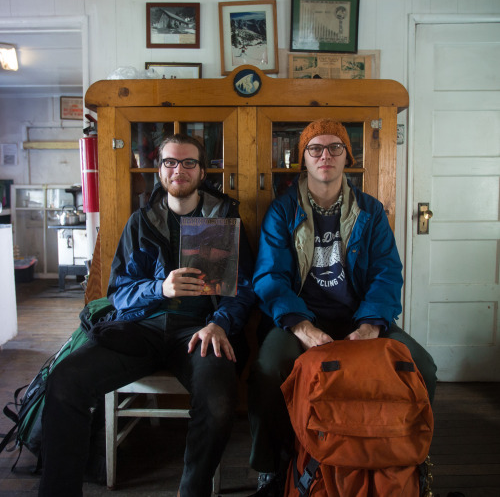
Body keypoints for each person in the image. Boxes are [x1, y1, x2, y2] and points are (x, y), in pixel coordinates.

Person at [38, 133, 255, 497]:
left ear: (202, 171)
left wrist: (220, 323)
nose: (179, 170)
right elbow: (119, 295)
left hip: (197, 331)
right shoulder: (140, 221)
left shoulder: (225, 220)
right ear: (160, 170)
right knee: (64, 380)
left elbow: (244, 289)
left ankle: (192, 491)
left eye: (188, 163)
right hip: (139, 329)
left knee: (219, 401)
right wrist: (160, 288)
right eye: (170, 162)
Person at [247, 119, 437, 497]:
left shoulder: (370, 211)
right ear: (303, 158)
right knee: (268, 369)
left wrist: (371, 325)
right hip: (298, 319)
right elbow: (270, 277)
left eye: (335, 147)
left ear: (347, 156)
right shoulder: (283, 211)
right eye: (315, 148)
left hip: (361, 318)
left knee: (422, 366)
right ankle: (271, 464)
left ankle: (405, 457)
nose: (325, 156)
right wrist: (301, 326)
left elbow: (387, 272)